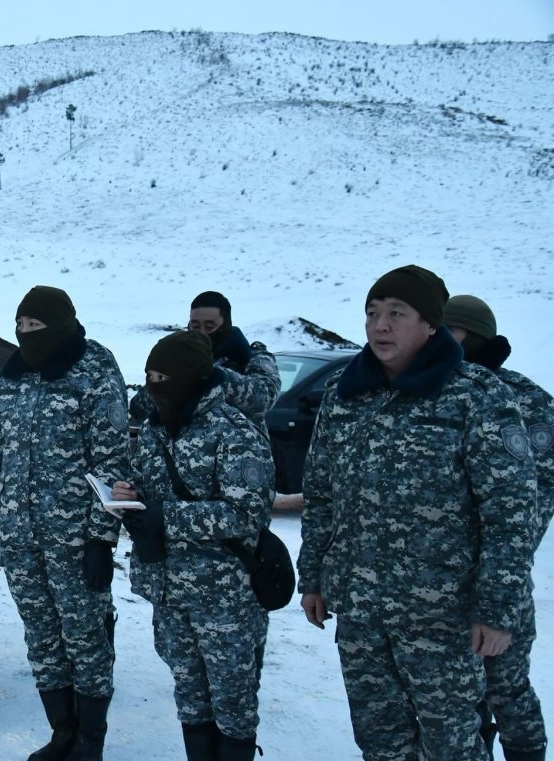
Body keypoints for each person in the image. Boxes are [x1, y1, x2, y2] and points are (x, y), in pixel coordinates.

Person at [297, 265, 537, 760]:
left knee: (453, 746)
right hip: (361, 614)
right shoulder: (345, 395)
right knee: (379, 742)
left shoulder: (475, 395)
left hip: (441, 621)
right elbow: (321, 495)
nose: (380, 326)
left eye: (396, 314)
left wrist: (497, 610)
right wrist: (314, 576)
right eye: (372, 313)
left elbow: (510, 514)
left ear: (430, 325)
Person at [0, 286, 128, 761]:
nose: (25, 333)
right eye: (20, 325)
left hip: (74, 539)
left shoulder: (94, 368)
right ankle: (61, 731)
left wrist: (102, 538)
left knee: (85, 638)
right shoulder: (13, 374)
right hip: (19, 535)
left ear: (59, 326)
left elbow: (112, 460)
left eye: (35, 325)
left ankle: (90, 740)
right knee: (41, 635)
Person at [114, 330, 274, 760]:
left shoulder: (233, 431)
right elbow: (151, 490)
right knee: (189, 696)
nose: (154, 387)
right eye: (149, 377)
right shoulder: (154, 429)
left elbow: (248, 513)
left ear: (191, 379)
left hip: (224, 595)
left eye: (163, 378)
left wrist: (165, 517)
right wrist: (130, 496)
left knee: (233, 702)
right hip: (168, 589)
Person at [445, 294, 553, 761]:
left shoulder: (526, 400)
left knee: (506, 688)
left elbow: (532, 505)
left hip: (499, 580)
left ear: (473, 336)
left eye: (449, 331)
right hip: (444, 583)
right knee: (457, 696)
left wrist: (500, 584)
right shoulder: (439, 391)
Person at [130, 291, 280, 432]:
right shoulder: (178, 358)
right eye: (195, 326)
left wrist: (215, 377)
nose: (201, 333)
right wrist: (164, 379)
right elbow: (138, 409)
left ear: (225, 325)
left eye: (209, 327)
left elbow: (264, 398)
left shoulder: (253, 357)